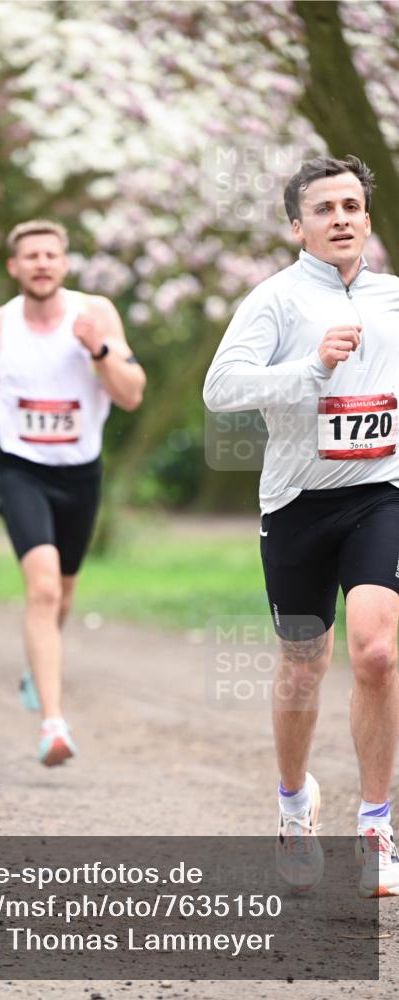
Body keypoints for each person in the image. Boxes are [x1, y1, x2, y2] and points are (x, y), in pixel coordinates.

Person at [203, 155, 399, 898]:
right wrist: (308, 369)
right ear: (297, 226)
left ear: (367, 219)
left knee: (376, 653)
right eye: (324, 208)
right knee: (301, 665)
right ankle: (292, 806)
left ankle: (376, 826)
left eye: (351, 206)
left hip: (379, 493)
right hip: (295, 503)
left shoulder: (390, 298)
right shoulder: (274, 301)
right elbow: (220, 388)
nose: (341, 218)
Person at [0, 219, 145, 766]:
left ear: (64, 264)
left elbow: (132, 394)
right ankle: (53, 723)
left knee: (63, 595)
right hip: (22, 469)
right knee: (42, 588)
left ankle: (34, 667)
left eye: (51, 254)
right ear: (13, 267)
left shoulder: (95, 315)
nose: (41, 263)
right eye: (31, 256)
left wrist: (100, 350)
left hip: (80, 473)